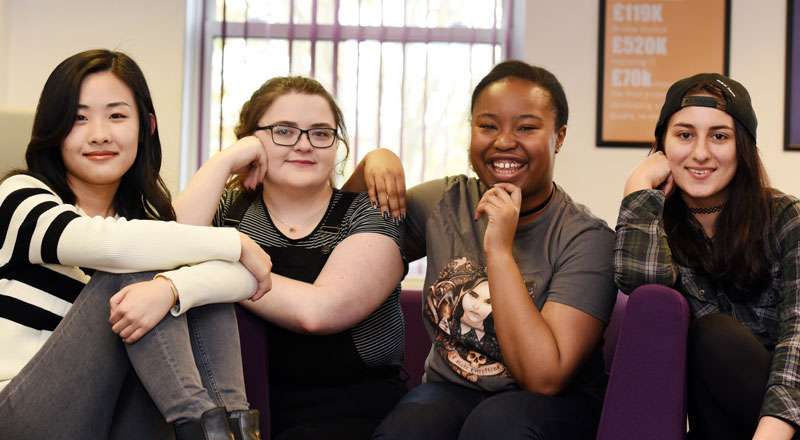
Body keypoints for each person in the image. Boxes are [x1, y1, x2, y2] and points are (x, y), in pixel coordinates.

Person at [0, 49, 271, 439]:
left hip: (107, 420)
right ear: (53, 128)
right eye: (78, 118)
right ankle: (199, 426)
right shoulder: (21, 197)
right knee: (139, 268)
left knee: (180, 287)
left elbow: (244, 280)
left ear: (146, 126)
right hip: (18, 416)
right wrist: (234, 242)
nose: (99, 133)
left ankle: (231, 430)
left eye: (116, 115)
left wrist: (172, 289)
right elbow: (113, 247)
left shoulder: (146, 229)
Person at [348, 60, 618, 439]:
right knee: (407, 430)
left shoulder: (588, 239)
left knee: (495, 426)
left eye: (526, 127)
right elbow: (335, 241)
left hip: (553, 404)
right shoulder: (445, 203)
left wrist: (499, 250)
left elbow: (544, 377)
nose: (504, 141)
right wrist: (374, 164)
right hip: (451, 389)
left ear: (558, 137)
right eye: (487, 126)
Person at [174, 76, 408, 439]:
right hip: (239, 408)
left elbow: (318, 312)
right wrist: (226, 160)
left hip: (357, 413)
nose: (304, 145)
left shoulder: (370, 212)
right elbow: (170, 248)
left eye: (320, 133)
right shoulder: (226, 212)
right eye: (283, 131)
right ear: (253, 140)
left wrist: (219, 262)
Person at [615, 72, 800, 440]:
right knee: (706, 338)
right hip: (716, 422)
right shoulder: (654, 222)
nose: (700, 153)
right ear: (663, 145)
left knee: (715, 335)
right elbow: (642, 290)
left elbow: (798, 333)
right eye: (684, 135)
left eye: (719, 136)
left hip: (786, 418)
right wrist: (637, 187)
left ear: (742, 146)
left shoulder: (784, 216)